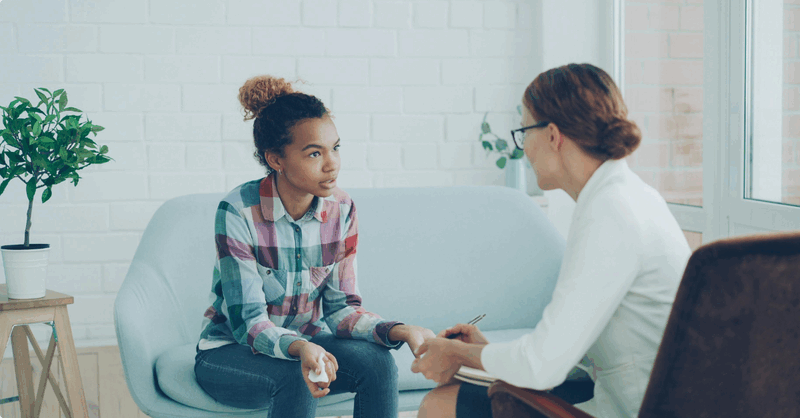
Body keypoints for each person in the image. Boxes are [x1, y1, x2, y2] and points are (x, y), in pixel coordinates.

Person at [411, 63, 692, 418]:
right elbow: (565, 349)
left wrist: (457, 354)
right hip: (640, 394)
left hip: (636, 408)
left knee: (438, 406)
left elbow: (542, 368)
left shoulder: (610, 213)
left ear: (553, 135)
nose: (524, 148)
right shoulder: (628, 197)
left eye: (524, 130)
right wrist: (488, 351)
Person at [194, 75, 435, 418]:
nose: (332, 163)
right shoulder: (238, 211)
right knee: (296, 374)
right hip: (228, 354)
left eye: (335, 148)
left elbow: (341, 310)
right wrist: (301, 347)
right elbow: (248, 322)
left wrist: (400, 330)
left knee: (378, 363)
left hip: (305, 345)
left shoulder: (343, 209)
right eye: (314, 153)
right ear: (276, 159)